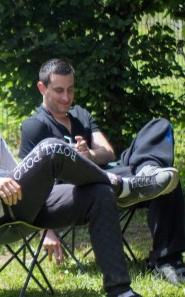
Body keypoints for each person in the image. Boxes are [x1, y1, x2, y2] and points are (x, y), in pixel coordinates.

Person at [0, 68, 178, 297]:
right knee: (51, 147)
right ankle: (121, 184)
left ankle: (121, 293)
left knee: (99, 194)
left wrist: (45, 224)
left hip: (16, 203)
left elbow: (18, 173)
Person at [19, 58, 185, 284]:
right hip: (83, 187)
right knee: (165, 180)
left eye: (70, 89)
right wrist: (45, 230)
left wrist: (89, 155)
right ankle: (166, 260)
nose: (67, 97)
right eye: (59, 90)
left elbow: (107, 152)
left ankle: (147, 172)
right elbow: (30, 184)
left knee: (160, 129)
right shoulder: (35, 126)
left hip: (114, 174)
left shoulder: (80, 114)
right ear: (42, 88)